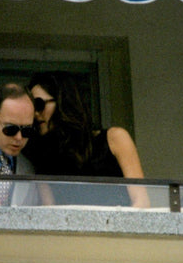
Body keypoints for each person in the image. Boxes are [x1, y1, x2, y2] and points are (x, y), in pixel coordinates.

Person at [24, 71, 150, 208]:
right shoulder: (44, 158)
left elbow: (141, 202)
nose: (35, 114)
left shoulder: (114, 138)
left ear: (63, 102)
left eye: (39, 104)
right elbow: (50, 211)